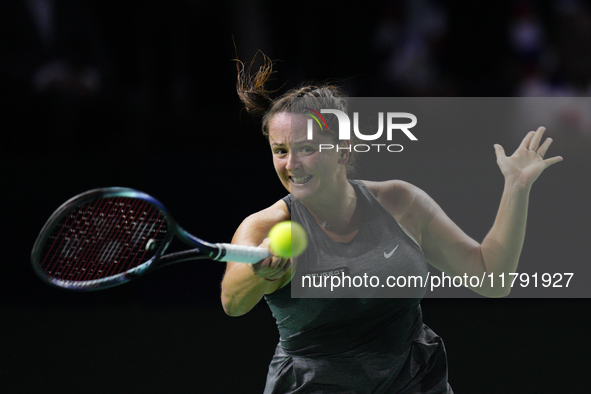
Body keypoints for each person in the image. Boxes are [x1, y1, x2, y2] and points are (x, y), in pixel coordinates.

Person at [220, 54, 562, 393]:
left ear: (343, 150)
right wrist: (258, 269)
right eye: (280, 151)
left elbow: (491, 278)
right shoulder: (265, 225)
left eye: (307, 148)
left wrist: (516, 188)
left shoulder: (401, 202)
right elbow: (233, 303)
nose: (291, 164)